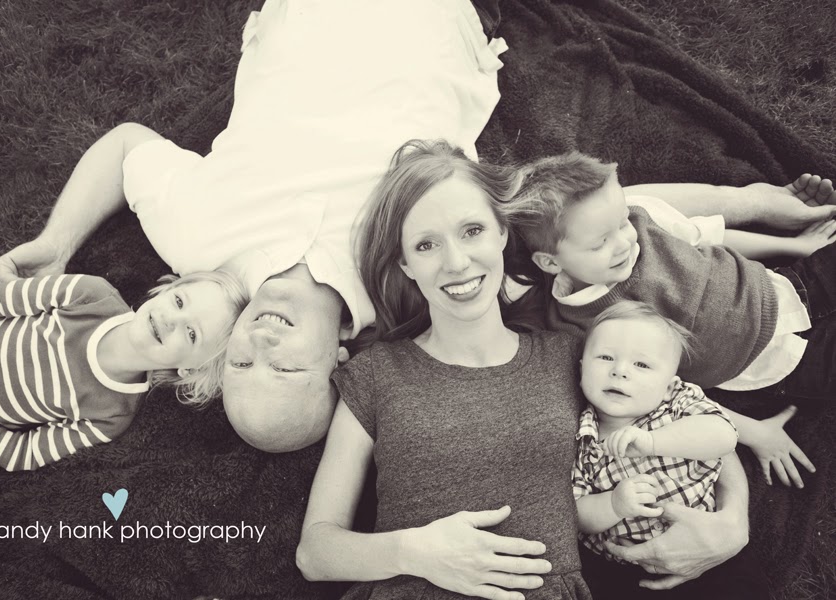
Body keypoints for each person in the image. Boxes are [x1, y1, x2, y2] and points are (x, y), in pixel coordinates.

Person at [0, 0, 836, 454]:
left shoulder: (196, 241)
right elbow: (593, 213)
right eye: (283, 367)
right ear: (338, 361)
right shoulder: (412, 277)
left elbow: (128, 146)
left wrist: (55, 243)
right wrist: (755, 203)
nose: (260, 343)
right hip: (433, 24)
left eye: (242, 359)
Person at [297, 140, 751, 598]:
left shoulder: (569, 354)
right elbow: (315, 552)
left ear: (501, 233)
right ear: (406, 264)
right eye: (426, 244)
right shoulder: (379, 373)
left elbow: (686, 417)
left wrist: (734, 522)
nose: (456, 263)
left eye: (471, 230)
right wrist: (412, 552)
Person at [519, 151, 833, 488]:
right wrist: (753, 432)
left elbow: (709, 236)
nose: (624, 242)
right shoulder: (580, 328)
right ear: (551, 263)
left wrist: (798, 246)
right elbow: (659, 396)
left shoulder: (644, 220)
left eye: (622, 222)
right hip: (781, 366)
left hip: (790, 284)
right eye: (601, 243)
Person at [0, 271, 245, 471]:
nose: (171, 320)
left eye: (192, 334)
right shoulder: (92, 294)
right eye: (179, 301)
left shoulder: (113, 414)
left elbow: (26, 452)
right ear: (164, 290)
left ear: (191, 369)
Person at [572, 301, 768, 600]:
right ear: (582, 368)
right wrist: (613, 504)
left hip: (710, 545)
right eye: (605, 357)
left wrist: (654, 442)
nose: (620, 371)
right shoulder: (583, 437)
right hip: (627, 569)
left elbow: (723, 435)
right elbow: (577, 514)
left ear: (668, 385)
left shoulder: (676, 403)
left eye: (642, 364)